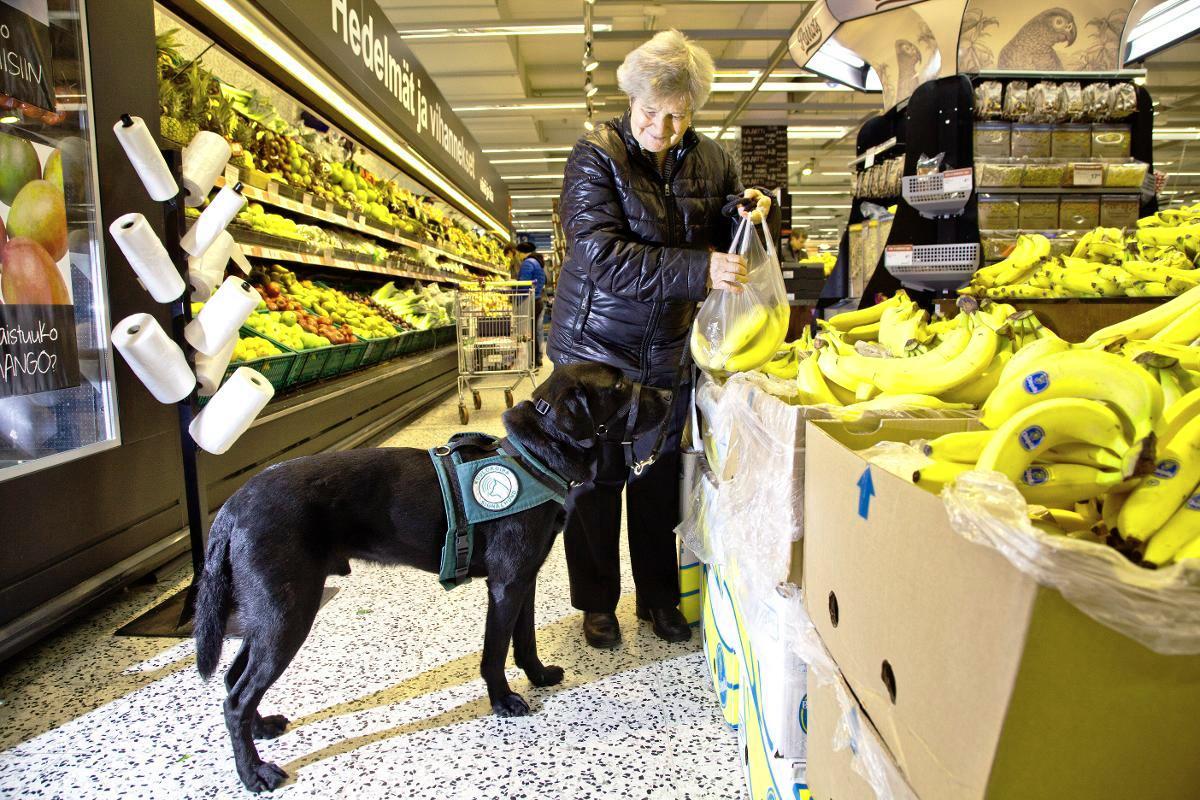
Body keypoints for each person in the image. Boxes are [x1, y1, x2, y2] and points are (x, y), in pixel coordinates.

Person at [548, 29, 777, 648]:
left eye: (677, 115)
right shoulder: (595, 154)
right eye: (651, 112)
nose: (662, 127)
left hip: (668, 350)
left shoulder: (713, 157)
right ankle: (597, 604)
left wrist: (745, 211)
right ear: (631, 101)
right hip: (592, 347)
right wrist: (700, 268)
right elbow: (599, 255)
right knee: (594, 481)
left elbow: (720, 214)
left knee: (656, 475)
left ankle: (658, 598)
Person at [515, 241, 547, 368]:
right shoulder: (538, 262)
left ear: (522, 253)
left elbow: (524, 284)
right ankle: (536, 359)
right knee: (534, 331)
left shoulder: (528, 263)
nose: (518, 256)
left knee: (529, 332)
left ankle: (532, 361)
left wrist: (512, 286)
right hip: (537, 299)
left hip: (529, 300)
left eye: (518, 253)